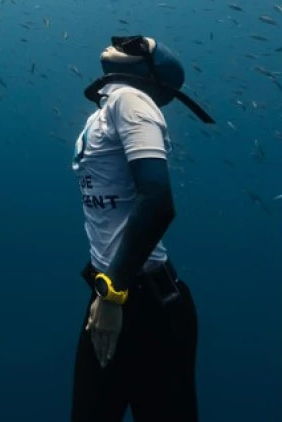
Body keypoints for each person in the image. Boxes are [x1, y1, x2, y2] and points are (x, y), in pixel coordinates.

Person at [69, 35, 215, 422]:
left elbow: (157, 202)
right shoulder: (108, 108)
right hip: (111, 297)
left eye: (134, 42)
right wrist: (109, 293)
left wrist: (114, 292)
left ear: (152, 72)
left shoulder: (131, 101)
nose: (118, 39)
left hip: (141, 305)